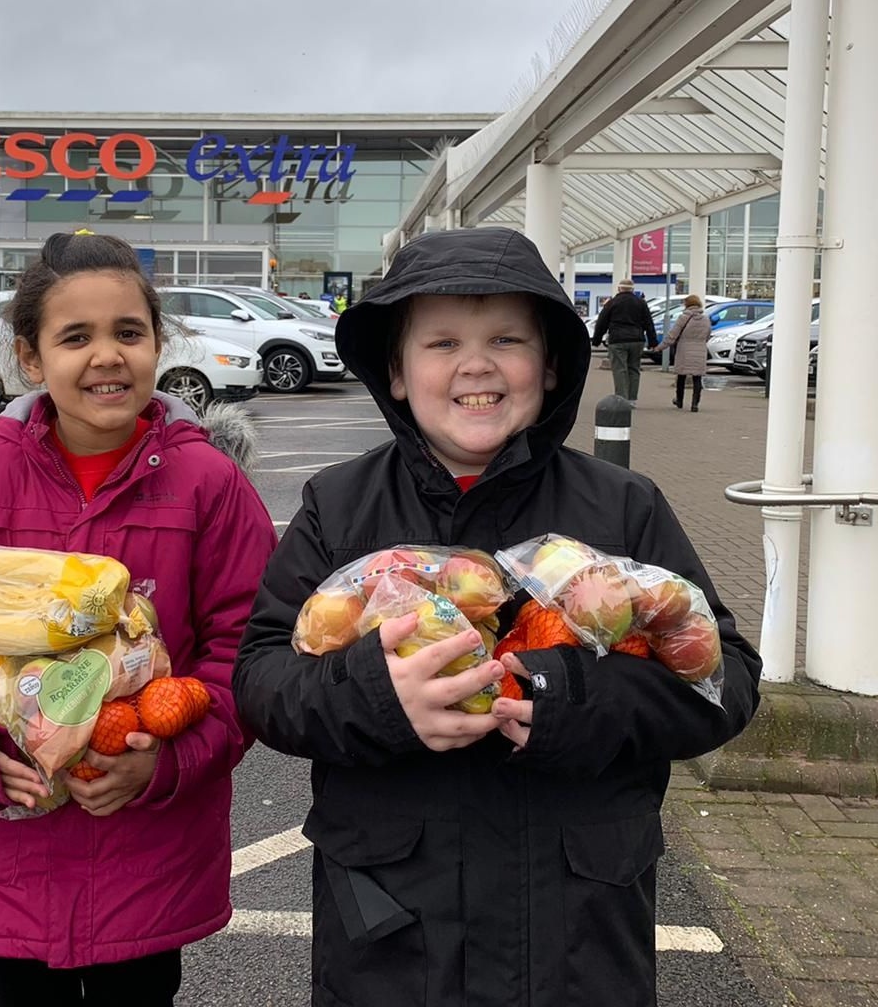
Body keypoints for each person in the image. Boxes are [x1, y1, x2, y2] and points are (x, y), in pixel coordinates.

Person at [233, 227, 761, 1007]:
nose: (475, 364)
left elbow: (726, 681)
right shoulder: (340, 506)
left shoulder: (623, 506)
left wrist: (576, 699)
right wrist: (382, 698)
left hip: (578, 930)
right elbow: (264, 677)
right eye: (442, 342)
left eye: (506, 339)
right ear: (399, 373)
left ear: (549, 367)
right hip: (390, 927)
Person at [0, 232, 277, 1007]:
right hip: (9, 852)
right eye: (76, 337)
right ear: (30, 359)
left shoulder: (208, 485)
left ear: (159, 344)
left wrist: (165, 760)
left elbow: (247, 653)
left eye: (129, 332)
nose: (107, 356)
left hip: (146, 850)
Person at [591, 277, 658, 405]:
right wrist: (653, 342)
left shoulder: (612, 303)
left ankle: (622, 399)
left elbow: (602, 322)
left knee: (620, 369)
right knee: (634, 369)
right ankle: (632, 399)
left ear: (619, 288)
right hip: (637, 340)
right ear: (633, 290)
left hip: (618, 340)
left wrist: (596, 340)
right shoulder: (641, 303)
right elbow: (649, 323)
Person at [654, 293, 712, 412]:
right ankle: (695, 404)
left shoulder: (683, 317)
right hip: (700, 349)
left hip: (684, 349)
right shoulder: (706, 318)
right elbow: (708, 335)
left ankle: (679, 400)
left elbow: (672, 335)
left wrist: (659, 347)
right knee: (697, 378)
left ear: (687, 304)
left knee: (681, 376)